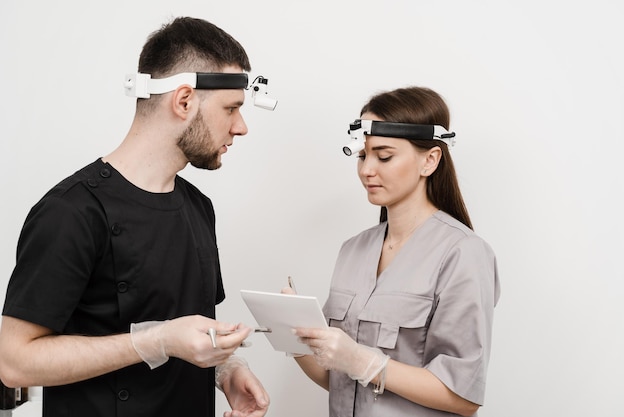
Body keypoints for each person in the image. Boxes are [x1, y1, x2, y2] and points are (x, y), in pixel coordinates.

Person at [0, 17, 270, 417]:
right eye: (231, 108)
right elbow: (14, 362)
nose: (241, 127)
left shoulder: (198, 208)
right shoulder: (72, 212)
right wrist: (154, 341)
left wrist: (226, 369)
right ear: (183, 101)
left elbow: (190, 327)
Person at [283, 87, 500, 416]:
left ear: (430, 160)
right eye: (362, 156)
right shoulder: (353, 250)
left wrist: (364, 361)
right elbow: (338, 377)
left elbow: (464, 397)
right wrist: (294, 334)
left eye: (384, 156)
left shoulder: (463, 255)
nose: (367, 169)